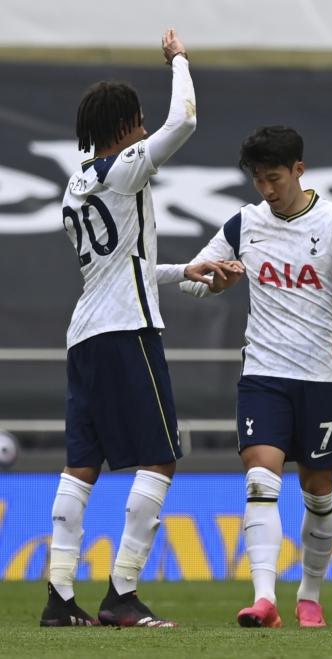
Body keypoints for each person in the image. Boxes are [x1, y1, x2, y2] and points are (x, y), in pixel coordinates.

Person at [41, 29, 233, 627]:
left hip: (85, 336)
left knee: (82, 465)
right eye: (139, 122)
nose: (148, 130)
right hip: (128, 332)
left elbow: (126, 265)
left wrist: (185, 272)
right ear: (124, 128)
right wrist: (179, 60)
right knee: (160, 458)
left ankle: (59, 597)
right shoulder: (126, 169)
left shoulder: (74, 189)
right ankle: (121, 593)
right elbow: (188, 120)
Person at [162, 125, 332, 628]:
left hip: (321, 378)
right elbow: (196, 280)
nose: (266, 189)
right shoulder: (244, 223)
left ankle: (310, 594)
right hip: (264, 375)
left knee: (319, 491)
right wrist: (215, 282)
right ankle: (264, 599)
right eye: (257, 179)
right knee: (260, 478)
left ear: (299, 170)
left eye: (274, 177)